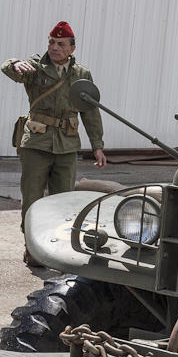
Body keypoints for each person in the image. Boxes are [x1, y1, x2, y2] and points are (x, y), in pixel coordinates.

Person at [2, 21, 106, 267]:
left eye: (61, 44)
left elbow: (90, 112)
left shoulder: (81, 74)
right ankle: (32, 248)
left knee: (63, 199)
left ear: (72, 48)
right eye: (51, 42)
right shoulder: (35, 68)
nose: (54, 47)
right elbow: (8, 68)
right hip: (36, 143)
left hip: (67, 146)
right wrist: (14, 64)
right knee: (32, 198)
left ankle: (57, 248)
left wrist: (97, 145)